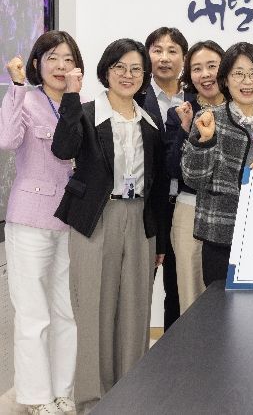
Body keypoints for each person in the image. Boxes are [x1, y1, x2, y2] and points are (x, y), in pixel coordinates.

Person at [51, 38, 167, 412]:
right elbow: (63, 149)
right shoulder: (86, 113)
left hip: (139, 220)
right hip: (96, 218)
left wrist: (160, 240)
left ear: (144, 75)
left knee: (135, 310)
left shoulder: (150, 122)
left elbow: (158, 185)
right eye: (120, 67)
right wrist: (70, 95)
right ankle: (92, 400)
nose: (127, 75)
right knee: (94, 310)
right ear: (106, 71)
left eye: (136, 69)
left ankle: (130, 395)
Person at [1, 31, 82, 415]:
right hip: (30, 219)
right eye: (52, 58)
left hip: (69, 221)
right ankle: (36, 396)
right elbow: (6, 139)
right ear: (37, 63)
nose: (60, 66)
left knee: (66, 312)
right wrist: (17, 86)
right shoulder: (27, 98)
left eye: (68, 59)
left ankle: (63, 390)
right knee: (33, 314)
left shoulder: (78, 104)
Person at [181, 42, 253, 286]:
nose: (247, 81)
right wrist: (205, 141)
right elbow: (193, 178)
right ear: (225, 79)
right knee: (219, 306)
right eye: (238, 74)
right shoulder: (209, 119)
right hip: (220, 235)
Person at [164, 40, 225, 312]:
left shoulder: (241, 110)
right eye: (197, 69)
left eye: (212, 66)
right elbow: (172, 170)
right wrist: (185, 129)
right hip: (190, 209)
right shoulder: (180, 113)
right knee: (190, 296)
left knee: (228, 298)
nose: (205, 74)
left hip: (230, 211)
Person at [136, 26, 189, 330]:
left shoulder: (196, 98)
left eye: (172, 51)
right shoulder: (135, 96)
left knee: (179, 292)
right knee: (139, 290)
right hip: (148, 207)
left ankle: (175, 353)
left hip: (185, 206)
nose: (164, 58)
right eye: (157, 50)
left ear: (184, 57)